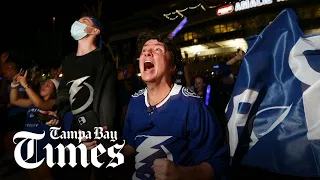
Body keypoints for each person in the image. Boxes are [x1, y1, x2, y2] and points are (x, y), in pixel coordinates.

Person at [113, 32, 229, 179]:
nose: (147, 53)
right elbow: (130, 147)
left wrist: (181, 174)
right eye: (144, 51)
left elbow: (219, 166)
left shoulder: (192, 105)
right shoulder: (135, 100)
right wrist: (106, 150)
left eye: (157, 50)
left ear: (173, 66)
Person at [42, 13, 119, 180]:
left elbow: (108, 99)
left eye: (84, 21)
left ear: (95, 31)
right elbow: (64, 93)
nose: (78, 23)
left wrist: (103, 134)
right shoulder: (68, 61)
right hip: (74, 132)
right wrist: (57, 114)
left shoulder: (103, 60)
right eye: (77, 20)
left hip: (97, 132)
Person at [10, 70, 59, 180]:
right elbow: (14, 100)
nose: (43, 86)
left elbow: (40, 105)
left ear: (55, 90)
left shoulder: (54, 102)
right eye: (43, 83)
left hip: (43, 145)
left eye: (48, 85)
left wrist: (25, 85)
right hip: (28, 144)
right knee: (33, 176)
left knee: (44, 176)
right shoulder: (32, 102)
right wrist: (14, 85)